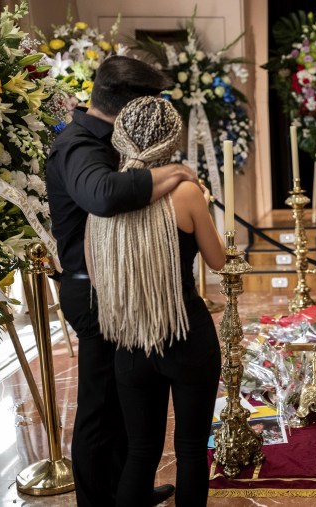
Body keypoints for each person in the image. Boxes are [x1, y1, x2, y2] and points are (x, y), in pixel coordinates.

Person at [46, 56, 198, 506]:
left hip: (114, 287)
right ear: (131, 105)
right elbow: (104, 195)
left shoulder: (106, 140)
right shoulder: (78, 145)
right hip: (90, 292)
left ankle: (122, 491)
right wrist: (172, 173)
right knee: (100, 407)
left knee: (124, 402)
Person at [86, 96, 225, 506]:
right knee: (190, 451)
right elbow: (217, 261)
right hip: (186, 335)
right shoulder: (185, 192)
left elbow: (98, 279)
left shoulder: (102, 200)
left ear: (121, 137)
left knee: (141, 453)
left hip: (131, 343)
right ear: (171, 141)